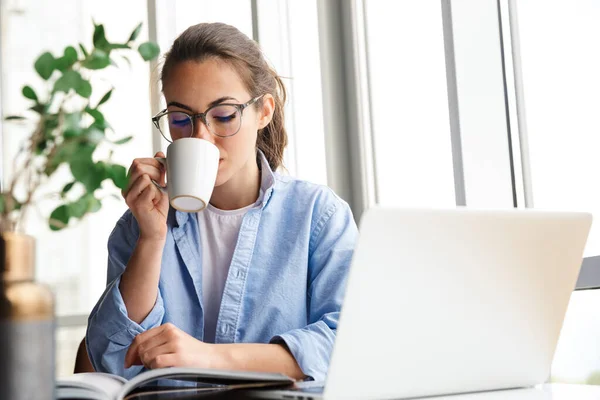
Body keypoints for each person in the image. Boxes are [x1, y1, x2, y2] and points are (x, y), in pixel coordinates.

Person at [86, 22, 357, 382]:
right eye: (181, 119)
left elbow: (347, 344)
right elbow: (112, 357)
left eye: (224, 116)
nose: (202, 137)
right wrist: (151, 238)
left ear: (263, 112)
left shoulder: (318, 216)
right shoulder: (140, 224)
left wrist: (210, 358)